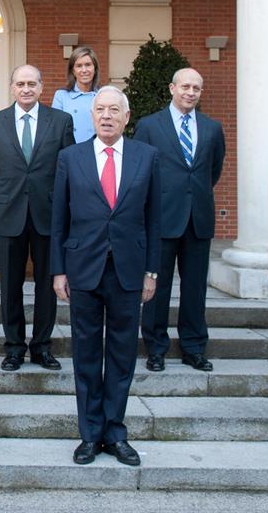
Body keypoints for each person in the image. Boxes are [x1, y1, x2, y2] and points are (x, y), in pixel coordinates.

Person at [51, 86, 160, 467]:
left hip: (129, 271)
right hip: (83, 269)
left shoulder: (147, 157)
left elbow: (154, 219)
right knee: (85, 354)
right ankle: (89, 434)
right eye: (101, 110)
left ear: (127, 117)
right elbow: (58, 219)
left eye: (115, 110)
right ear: (92, 116)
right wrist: (58, 270)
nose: (107, 116)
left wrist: (152, 271)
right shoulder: (71, 157)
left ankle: (115, 432)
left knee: (121, 354)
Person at [0, 65, 74, 372]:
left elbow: (68, 173)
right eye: (20, 83)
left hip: (48, 216)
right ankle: (13, 348)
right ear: (12, 87)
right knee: (10, 285)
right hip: (8, 215)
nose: (26, 88)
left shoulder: (60, 122)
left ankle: (42, 347)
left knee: (48, 285)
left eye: (31, 83)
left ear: (41, 86)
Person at [135, 67, 226, 372]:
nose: (190, 92)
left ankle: (194, 347)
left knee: (195, 288)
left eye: (196, 88)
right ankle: (155, 347)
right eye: (185, 86)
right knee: (156, 288)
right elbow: (140, 171)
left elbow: (212, 171)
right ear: (172, 88)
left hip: (198, 219)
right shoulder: (149, 126)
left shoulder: (212, 128)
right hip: (161, 219)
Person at [52, 45, 102, 144]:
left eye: (88, 65)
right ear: (73, 71)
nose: (84, 70)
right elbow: (56, 129)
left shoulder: (102, 95)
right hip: (70, 150)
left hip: (96, 151)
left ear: (95, 69)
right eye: (79, 66)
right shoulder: (61, 96)